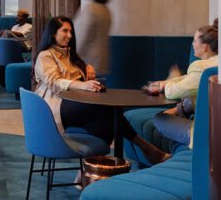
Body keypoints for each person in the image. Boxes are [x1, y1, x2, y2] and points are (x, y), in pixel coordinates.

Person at [33, 16, 171, 165]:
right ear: (53, 33)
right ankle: (145, 147)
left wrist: (87, 67)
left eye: (71, 31)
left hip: (74, 103)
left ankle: (88, 173)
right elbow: (54, 82)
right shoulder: (45, 55)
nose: (70, 35)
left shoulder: (69, 54)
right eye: (65, 31)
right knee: (107, 111)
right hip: (55, 105)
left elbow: (77, 75)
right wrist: (81, 85)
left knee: (106, 122)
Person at [146, 19, 219, 147]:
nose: (192, 44)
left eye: (195, 41)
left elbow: (171, 93)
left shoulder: (200, 67)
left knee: (159, 119)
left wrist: (166, 85)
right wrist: (167, 81)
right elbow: (188, 78)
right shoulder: (219, 63)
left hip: (205, 133)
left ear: (204, 47)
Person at [73, 0, 112, 75]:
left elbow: (81, 37)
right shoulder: (106, 10)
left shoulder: (90, 10)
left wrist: (71, 56)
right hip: (101, 61)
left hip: (87, 61)